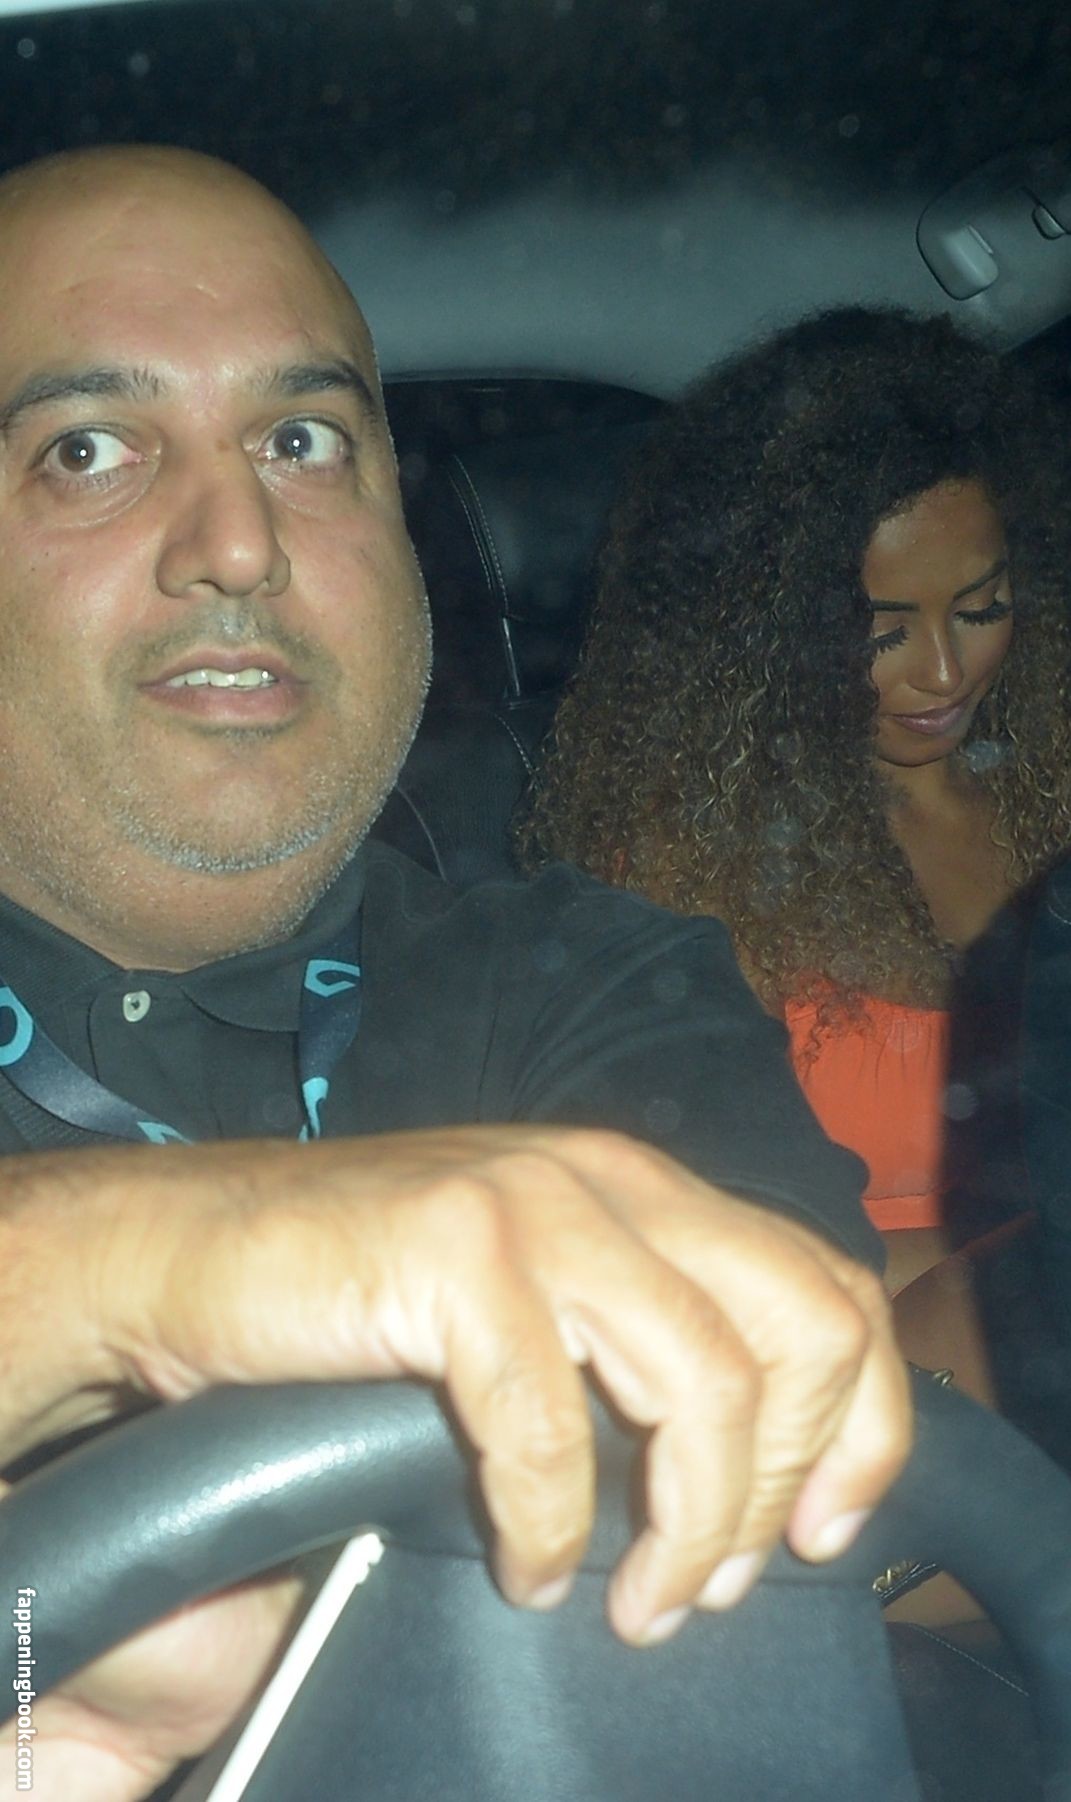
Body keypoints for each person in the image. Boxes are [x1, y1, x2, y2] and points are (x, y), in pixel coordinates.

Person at [0, 146, 909, 1802]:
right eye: (88, 449)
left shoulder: (590, 979)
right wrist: (110, 1264)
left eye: (302, 441)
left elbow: (756, 1543)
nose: (238, 544)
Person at [524, 310, 1071, 1347]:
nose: (945, 672)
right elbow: (694, 1251)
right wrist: (1037, 1272)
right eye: (883, 632)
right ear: (769, 635)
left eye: (981, 608)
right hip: (861, 1358)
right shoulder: (681, 875)